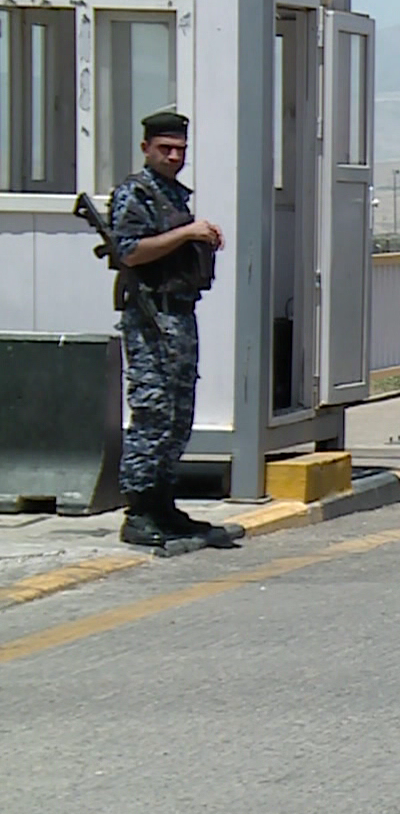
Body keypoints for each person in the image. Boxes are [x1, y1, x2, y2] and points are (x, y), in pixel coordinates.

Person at [108, 111, 236, 548]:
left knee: (178, 414)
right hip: (150, 318)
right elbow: (129, 251)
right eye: (165, 149)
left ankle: (163, 504)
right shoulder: (136, 193)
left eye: (180, 150)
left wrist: (198, 237)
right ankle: (139, 509)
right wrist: (185, 234)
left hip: (178, 315)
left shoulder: (171, 195)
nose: (174, 156)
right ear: (146, 148)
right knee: (152, 411)